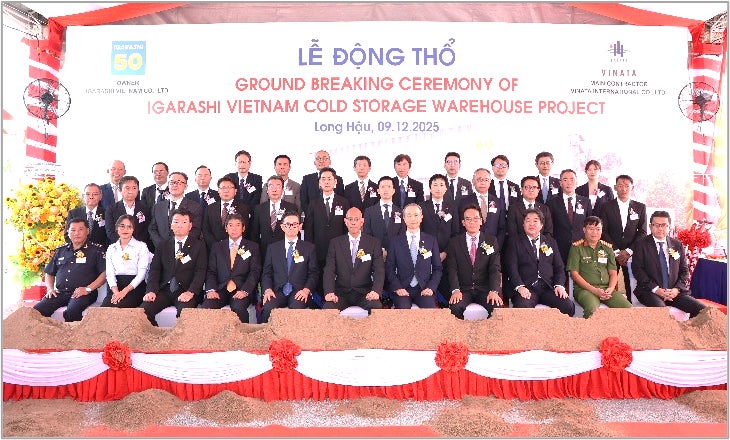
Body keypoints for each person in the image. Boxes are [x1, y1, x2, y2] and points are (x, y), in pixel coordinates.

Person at [631, 211, 706, 318]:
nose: (660, 228)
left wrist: (676, 289)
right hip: (650, 291)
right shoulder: (641, 244)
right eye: (656, 225)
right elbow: (637, 270)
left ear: (669, 227)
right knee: (662, 311)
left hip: (674, 292)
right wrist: (656, 289)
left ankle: (689, 328)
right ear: (650, 226)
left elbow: (684, 271)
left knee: (702, 310)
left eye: (664, 225)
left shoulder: (677, 245)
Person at [141, 209, 208, 326]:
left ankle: (179, 338)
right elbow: (155, 270)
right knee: (143, 311)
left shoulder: (199, 245)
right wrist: (151, 290)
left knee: (185, 314)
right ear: (171, 225)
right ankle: (157, 335)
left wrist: (191, 292)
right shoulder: (162, 245)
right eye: (176, 222)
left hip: (186, 289)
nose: (179, 225)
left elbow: (201, 271)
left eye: (184, 222)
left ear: (190, 226)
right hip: (164, 290)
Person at [503, 209, 574, 315]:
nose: (531, 224)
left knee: (567, 306)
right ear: (523, 224)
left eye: (535, 221)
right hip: (526, 287)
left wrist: (559, 285)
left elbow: (559, 267)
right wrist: (520, 286)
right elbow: (511, 269)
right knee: (522, 307)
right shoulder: (515, 242)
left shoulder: (550, 242)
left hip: (548, 287)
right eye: (528, 220)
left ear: (541, 225)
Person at [34, 218, 106, 322]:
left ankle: (74, 333)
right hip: (61, 293)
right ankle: (48, 332)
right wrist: (50, 289)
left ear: (87, 231)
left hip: (84, 293)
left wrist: (88, 289)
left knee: (72, 311)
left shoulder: (96, 250)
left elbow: (104, 274)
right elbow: (49, 273)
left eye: (80, 229)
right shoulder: (61, 250)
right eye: (73, 230)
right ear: (68, 232)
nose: (76, 233)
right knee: (37, 310)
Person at [322, 207, 384, 313]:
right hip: (341, 293)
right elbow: (329, 270)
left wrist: (376, 291)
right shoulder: (335, 243)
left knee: (376, 306)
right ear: (345, 221)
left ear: (362, 221)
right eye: (350, 219)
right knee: (328, 307)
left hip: (364, 293)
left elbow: (379, 270)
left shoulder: (373, 243)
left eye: (356, 219)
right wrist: (329, 292)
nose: (353, 223)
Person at [567, 216, 631, 318]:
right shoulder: (576, 248)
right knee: (592, 310)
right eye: (591, 229)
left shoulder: (607, 248)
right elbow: (574, 274)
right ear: (584, 229)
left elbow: (613, 272)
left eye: (598, 229)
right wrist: (594, 290)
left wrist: (611, 288)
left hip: (606, 289)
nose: (595, 232)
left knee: (628, 309)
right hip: (585, 290)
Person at [202, 213, 261, 323]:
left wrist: (245, 291)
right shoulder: (217, 247)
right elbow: (211, 272)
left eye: (238, 225)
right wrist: (211, 290)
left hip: (241, 289)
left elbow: (255, 272)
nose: (234, 228)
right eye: (230, 225)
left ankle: (242, 334)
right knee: (207, 307)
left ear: (243, 228)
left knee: (239, 308)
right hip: (221, 289)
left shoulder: (253, 247)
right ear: (226, 228)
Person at [447, 205, 503, 319]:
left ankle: (488, 331)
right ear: (463, 222)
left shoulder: (491, 241)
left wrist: (494, 290)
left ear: (481, 221)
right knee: (455, 307)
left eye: (476, 218)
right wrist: (455, 290)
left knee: (497, 307)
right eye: (468, 219)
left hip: (485, 289)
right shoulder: (454, 242)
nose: (472, 222)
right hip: (463, 290)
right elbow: (452, 269)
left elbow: (495, 268)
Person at [261, 212, 319, 322]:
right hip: (278, 291)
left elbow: (314, 273)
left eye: (295, 224)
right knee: (268, 307)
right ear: (282, 227)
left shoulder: (309, 248)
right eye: (288, 224)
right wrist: (268, 290)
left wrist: (306, 290)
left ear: (300, 226)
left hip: (299, 291)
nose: (291, 227)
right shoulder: (273, 248)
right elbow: (267, 273)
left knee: (296, 309)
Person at [384, 203, 442, 309]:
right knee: (403, 309)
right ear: (404, 218)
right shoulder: (395, 241)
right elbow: (389, 268)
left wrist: (431, 287)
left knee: (430, 309)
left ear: (421, 217)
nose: (413, 219)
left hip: (424, 288)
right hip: (403, 288)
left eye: (416, 215)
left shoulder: (431, 240)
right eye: (409, 215)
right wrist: (398, 287)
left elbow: (437, 268)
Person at [600, 174, 647, 300]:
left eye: (627, 186)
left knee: (632, 286)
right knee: (608, 284)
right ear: (615, 187)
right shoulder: (606, 206)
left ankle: (631, 306)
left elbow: (642, 232)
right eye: (620, 186)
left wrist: (628, 251)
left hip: (631, 254)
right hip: (611, 252)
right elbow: (603, 231)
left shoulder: (640, 207)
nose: (624, 189)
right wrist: (616, 252)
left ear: (632, 188)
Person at [420, 173, 459, 304]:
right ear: (430, 188)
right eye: (435, 185)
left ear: (446, 188)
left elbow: (455, 233)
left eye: (441, 185)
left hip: (446, 254)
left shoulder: (452, 207)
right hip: (426, 253)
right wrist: (427, 251)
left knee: (445, 287)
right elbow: (418, 231)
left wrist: (446, 252)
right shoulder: (422, 207)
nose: (438, 188)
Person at [304, 167, 350, 274]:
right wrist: (310, 249)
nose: (326, 182)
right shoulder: (313, 204)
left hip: (339, 249)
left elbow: (346, 227)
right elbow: (309, 229)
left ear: (335, 182)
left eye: (329, 179)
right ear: (319, 183)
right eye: (323, 179)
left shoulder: (344, 202)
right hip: (318, 250)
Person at [102, 215, 152, 308]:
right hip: (116, 287)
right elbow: (109, 273)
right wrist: (116, 292)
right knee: (104, 308)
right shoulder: (111, 248)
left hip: (134, 287)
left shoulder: (141, 246)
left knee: (120, 307)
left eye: (129, 227)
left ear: (133, 229)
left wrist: (124, 292)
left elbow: (141, 274)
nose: (125, 229)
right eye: (122, 226)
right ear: (117, 228)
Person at [148, 171, 203, 250]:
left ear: (186, 186)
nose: (175, 185)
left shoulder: (195, 207)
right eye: (172, 182)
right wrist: (162, 245)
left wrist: (179, 245)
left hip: (184, 250)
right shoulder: (158, 207)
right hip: (161, 250)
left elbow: (195, 230)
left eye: (179, 182)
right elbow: (152, 229)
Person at [547, 169, 592, 264]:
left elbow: (589, 225)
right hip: (559, 248)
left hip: (581, 246)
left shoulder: (585, 202)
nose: (569, 182)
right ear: (560, 183)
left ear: (577, 182)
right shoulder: (552, 203)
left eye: (572, 179)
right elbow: (549, 228)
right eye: (565, 180)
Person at [250, 175, 298, 261]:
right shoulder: (259, 209)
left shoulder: (291, 208)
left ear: (282, 190)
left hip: (285, 251)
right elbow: (254, 234)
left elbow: (295, 232)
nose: (274, 190)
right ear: (267, 190)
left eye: (278, 186)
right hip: (264, 252)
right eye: (271, 186)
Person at [459, 168, 506, 249]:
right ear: (473, 181)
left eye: (486, 180)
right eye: (479, 179)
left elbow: (502, 227)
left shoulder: (498, 202)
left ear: (490, 182)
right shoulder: (464, 202)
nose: (483, 182)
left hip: (493, 247)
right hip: (470, 246)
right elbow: (460, 226)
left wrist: (496, 246)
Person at [105, 175, 153, 252]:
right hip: (119, 248)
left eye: (134, 188)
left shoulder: (145, 209)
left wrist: (136, 245)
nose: (131, 191)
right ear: (120, 190)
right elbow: (110, 231)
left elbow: (147, 230)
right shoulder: (111, 209)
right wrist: (124, 243)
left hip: (140, 249)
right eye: (127, 188)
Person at [202, 175, 251, 251]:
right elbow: (206, 230)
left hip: (235, 248)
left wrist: (232, 245)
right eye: (223, 187)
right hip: (213, 249)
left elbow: (245, 230)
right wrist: (215, 246)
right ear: (218, 190)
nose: (226, 190)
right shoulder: (210, 208)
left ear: (235, 191)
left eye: (229, 187)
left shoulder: (243, 208)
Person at [363, 176, 405, 260]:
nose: (386, 190)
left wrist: (391, 251)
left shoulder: (400, 212)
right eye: (383, 187)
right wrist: (379, 250)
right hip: (375, 255)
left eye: (389, 187)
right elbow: (367, 234)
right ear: (378, 191)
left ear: (393, 191)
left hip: (395, 255)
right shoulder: (369, 211)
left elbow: (402, 234)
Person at [506, 176, 554, 240]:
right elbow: (512, 233)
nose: (531, 190)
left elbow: (548, 232)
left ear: (538, 190)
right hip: (519, 244)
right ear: (521, 189)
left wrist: (539, 244)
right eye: (527, 187)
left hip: (541, 244)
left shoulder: (545, 209)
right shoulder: (513, 209)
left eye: (534, 187)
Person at [67, 183, 109, 248]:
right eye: (87, 194)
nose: (91, 197)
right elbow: (67, 235)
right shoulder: (73, 213)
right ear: (83, 196)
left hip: (101, 250)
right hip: (78, 250)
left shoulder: (107, 213)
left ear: (101, 196)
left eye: (95, 194)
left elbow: (109, 235)